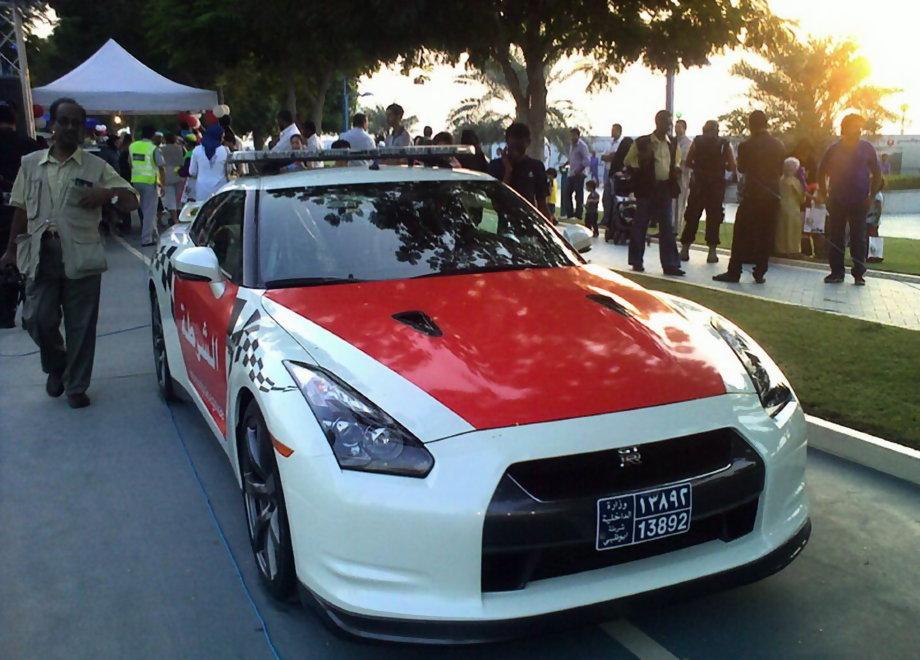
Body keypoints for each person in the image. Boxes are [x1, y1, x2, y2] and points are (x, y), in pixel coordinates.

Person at [0, 97, 139, 408]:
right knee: (36, 319)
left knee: (81, 325)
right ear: (52, 124)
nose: (70, 127)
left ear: (83, 131)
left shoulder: (97, 166)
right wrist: (10, 250)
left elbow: (132, 201)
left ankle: (76, 386)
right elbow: (20, 209)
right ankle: (57, 364)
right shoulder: (30, 164)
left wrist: (109, 195)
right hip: (40, 254)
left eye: (76, 122)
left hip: (81, 255)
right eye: (64, 121)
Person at [713, 110, 785, 284]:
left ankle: (734, 271)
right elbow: (781, 170)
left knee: (741, 233)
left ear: (751, 125)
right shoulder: (779, 145)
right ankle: (760, 271)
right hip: (772, 195)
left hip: (753, 195)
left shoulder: (746, 146)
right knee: (766, 234)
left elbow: (742, 168)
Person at [816, 113, 882, 285]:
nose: (858, 130)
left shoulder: (867, 148)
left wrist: (872, 196)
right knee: (836, 236)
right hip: (837, 200)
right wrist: (825, 196)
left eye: (860, 127)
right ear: (845, 129)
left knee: (858, 238)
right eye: (855, 126)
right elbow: (820, 172)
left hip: (860, 201)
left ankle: (859, 273)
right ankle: (836, 272)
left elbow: (877, 174)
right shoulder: (833, 149)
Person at [623, 110, 684, 276]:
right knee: (640, 225)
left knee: (667, 227)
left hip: (664, 189)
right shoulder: (642, 142)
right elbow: (628, 160)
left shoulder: (672, 143)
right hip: (647, 189)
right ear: (658, 122)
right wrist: (640, 169)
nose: (669, 126)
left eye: (670, 122)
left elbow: (677, 159)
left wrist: (676, 169)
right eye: (666, 122)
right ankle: (636, 261)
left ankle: (670, 264)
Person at [0, 101, 39, 328]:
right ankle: (31, 309)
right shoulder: (29, 145)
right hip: (27, 209)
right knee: (29, 258)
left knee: (4, 258)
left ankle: (5, 314)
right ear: (15, 121)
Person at [679, 119, 737, 264]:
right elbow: (732, 166)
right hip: (716, 186)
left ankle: (685, 249)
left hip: (698, 185)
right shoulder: (724, 144)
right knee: (714, 218)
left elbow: (688, 161)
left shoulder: (697, 142)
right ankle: (712, 252)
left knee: (692, 216)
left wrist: (699, 168)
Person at [488, 122, 551, 220]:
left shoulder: (536, 166)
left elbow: (542, 204)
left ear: (528, 142)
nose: (515, 149)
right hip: (503, 222)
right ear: (507, 142)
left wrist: (550, 229)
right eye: (513, 144)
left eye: (519, 144)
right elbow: (496, 203)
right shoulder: (495, 166)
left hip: (528, 223)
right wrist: (508, 172)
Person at [129, 125, 166, 246]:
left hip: (135, 181)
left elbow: (130, 163)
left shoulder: (132, 146)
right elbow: (161, 166)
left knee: (145, 211)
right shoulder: (153, 148)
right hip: (150, 182)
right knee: (150, 212)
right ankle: (146, 240)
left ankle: (154, 234)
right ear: (152, 135)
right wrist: (163, 184)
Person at [189, 123, 230, 202]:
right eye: (222, 137)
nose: (223, 139)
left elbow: (192, 172)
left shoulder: (196, 150)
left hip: (202, 189)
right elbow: (228, 170)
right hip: (220, 188)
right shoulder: (225, 150)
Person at [774, 157, 806, 257]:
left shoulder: (781, 179)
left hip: (781, 206)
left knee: (781, 229)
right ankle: (793, 250)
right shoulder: (795, 181)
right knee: (793, 230)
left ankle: (780, 249)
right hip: (792, 207)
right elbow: (801, 196)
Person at [561, 128, 590, 218]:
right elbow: (571, 158)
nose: (572, 137)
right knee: (567, 194)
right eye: (571, 135)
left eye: (574, 135)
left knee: (578, 196)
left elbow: (587, 161)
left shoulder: (582, 146)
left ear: (578, 135)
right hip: (571, 174)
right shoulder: (572, 145)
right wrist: (564, 165)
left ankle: (578, 215)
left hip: (579, 174)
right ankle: (570, 214)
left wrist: (579, 171)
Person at [159, 133, 186, 225]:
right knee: (178, 198)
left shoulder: (161, 149)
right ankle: (179, 217)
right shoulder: (179, 148)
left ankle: (174, 219)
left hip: (167, 175)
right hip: (178, 174)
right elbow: (182, 162)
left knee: (170, 199)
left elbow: (160, 164)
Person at [674, 119, 693, 235]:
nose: (677, 129)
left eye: (679, 127)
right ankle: (670, 226)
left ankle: (677, 229)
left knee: (680, 202)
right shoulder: (672, 141)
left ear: (684, 128)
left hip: (683, 177)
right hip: (672, 177)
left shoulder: (688, 143)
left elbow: (685, 160)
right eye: (676, 127)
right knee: (671, 204)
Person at [866, 179, 885, 263]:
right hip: (870, 219)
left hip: (872, 220)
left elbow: (879, 209)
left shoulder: (877, 196)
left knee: (871, 237)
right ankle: (871, 255)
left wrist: (875, 221)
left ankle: (873, 255)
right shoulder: (875, 195)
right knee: (870, 237)